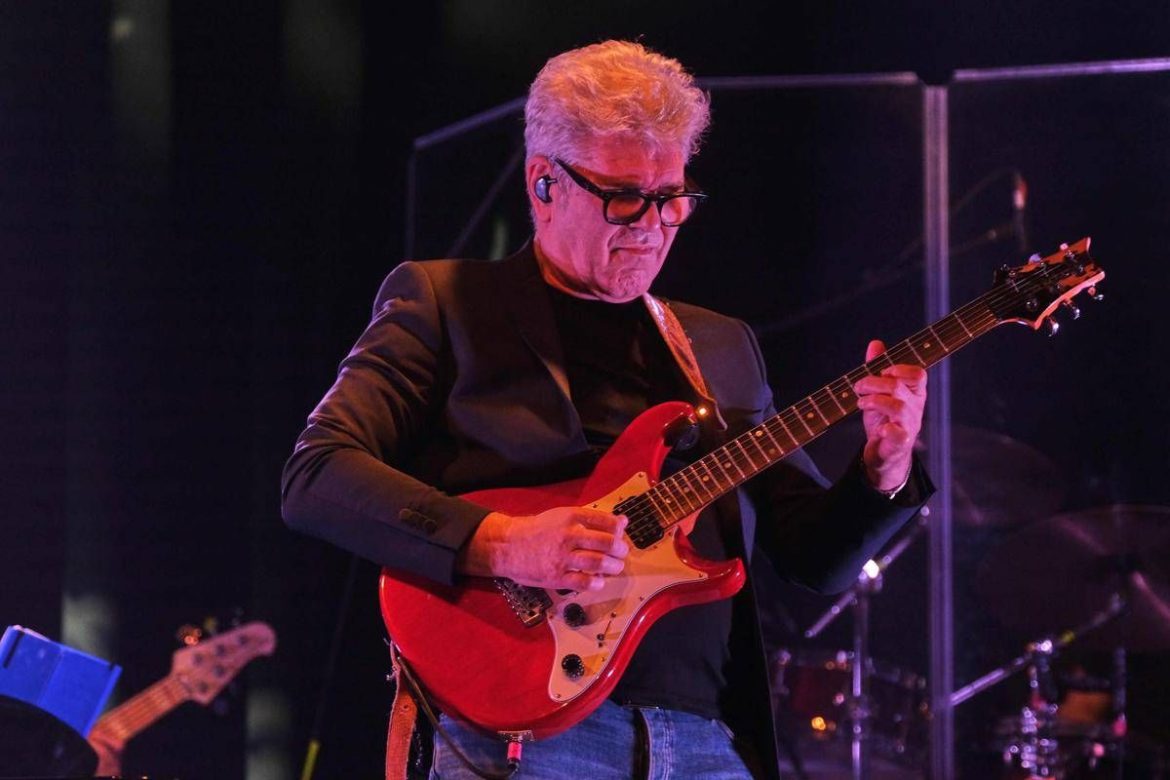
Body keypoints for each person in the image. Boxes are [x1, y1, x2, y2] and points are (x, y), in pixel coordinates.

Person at [282, 40, 932, 780]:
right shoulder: (448, 303)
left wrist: (883, 467)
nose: (652, 225)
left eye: (672, 198)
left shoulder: (720, 346)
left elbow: (815, 560)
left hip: (706, 743)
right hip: (519, 740)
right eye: (625, 197)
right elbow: (317, 475)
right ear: (544, 184)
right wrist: (504, 543)